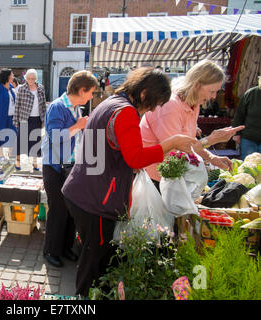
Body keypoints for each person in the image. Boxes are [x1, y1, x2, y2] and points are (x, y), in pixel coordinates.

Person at [61, 67, 197, 297]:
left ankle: (87, 293)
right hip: (95, 199)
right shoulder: (125, 112)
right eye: (153, 104)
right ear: (144, 94)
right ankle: (84, 297)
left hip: (84, 190)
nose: (151, 110)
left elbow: (122, 150)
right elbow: (135, 158)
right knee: (95, 257)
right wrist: (171, 142)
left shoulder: (112, 101)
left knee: (92, 251)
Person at [140, 59, 244, 189]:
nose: (214, 96)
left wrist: (212, 158)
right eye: (212, 91)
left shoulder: (193, 105)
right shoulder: (170, 106)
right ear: (197, 85)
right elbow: (174, 152)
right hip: (154, 180)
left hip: (170, 177)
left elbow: (189, 143)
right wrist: (211, 139)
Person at [41, 70, 98, 268]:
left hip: (70, 166)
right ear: (82, 90)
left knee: (70, 211)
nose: (92, 96)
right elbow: (56, 137)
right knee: (58, 211)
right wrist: (78, 125)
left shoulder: (75, 108)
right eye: (90, 92)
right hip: (55, 167)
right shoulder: (57, 107)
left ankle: (65, 248)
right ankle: (51, 251)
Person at [13, 69, 47, 171]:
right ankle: (18, 162)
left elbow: (43, 104)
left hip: (37, 119)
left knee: (36, 142)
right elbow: (17, 105)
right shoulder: (22, 89)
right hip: (24, 118)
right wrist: (15, 120)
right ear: (26, 78)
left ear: (36, 79)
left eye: (33, 78)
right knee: (21, 141)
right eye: (29, 78)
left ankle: (35, 163)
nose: (31, 80)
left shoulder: (41, 88)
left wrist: (44, 119)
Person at [232, 76, 261, 160]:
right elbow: (239, 115)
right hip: (249, 138)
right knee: (248, 166)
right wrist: (236, 134)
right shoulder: (251, 93)